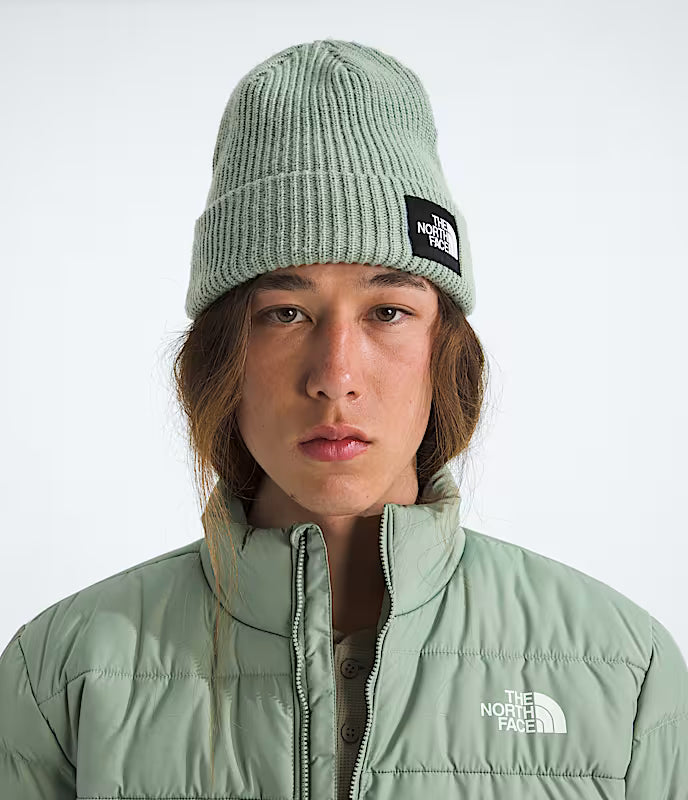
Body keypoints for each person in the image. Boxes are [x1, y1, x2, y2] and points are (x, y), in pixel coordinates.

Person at [1, 38, 686, 800]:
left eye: (387, 311)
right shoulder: (62, 679)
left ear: (445, 350)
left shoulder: (626, 675)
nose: (336, 377)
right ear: (221, 355)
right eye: (285, 313)